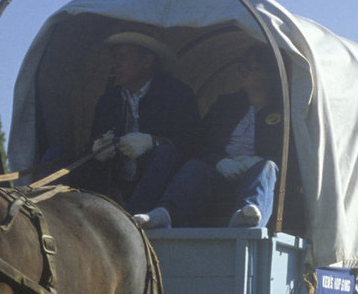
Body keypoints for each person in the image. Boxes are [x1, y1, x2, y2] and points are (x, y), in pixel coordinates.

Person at [133, 46, 291, 229]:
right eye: (242, 68)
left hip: (260, 180)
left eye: (252, 68)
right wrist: (219, 162)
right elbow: (198, 143)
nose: (243, 73)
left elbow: (294, 157)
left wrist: (257, 161)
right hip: (223, 176)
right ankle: (165, 213)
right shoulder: (226, 105)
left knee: (267, 167)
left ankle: (248, 215)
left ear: (269, 73)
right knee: (196, 167)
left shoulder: (285, 111)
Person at [67, 32, 200, 214]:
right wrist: (98, 147)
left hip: (160, 189)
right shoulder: (109, 100)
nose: (115, 65)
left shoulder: (176, 94)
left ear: (147, 62)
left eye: (122, 57)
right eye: (114, 58)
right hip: (116, 185)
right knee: (56, 156)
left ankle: (132, 218)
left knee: (165, 152)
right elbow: (94, 141)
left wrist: (153, 141)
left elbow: (192, 144)